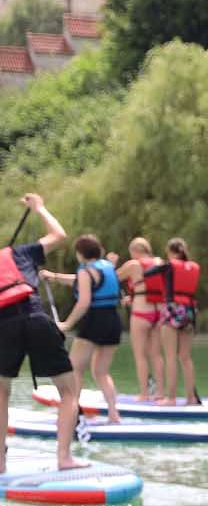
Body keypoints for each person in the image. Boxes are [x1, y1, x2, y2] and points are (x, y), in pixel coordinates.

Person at [0, 193, 83, 472]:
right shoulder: (18, 253)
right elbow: (59, 235)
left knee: (1, 394)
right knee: (69, 391)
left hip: (4, 326)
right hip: (35, 318)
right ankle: (64, 458)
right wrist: (39, 208)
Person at [44, 233, 124, 424]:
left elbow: (84, 302)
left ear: (80, 253)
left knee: (73, 369)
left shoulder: (85, 271)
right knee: (101, 372)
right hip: (113, 320)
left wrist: (66, 324)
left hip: (94, 321)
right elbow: (81, 281)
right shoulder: (107, 267)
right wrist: (53, 277)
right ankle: (114, 414)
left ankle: (71, 414)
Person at [122, 236, 169, 399]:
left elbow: (109, 279)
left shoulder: (133, 265)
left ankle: (144, 394)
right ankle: (160, 393)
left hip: (141, 313)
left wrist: (111, 263)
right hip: (159, 313)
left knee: (140, 354)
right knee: (156, 354)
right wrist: (133, 296)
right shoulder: (160, 262)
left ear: (134, 251)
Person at [157, 237, 201, 405]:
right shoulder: (192, 266)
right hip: (189, 311)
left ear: (170, 252)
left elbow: (147, 274)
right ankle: (191, 398)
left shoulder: (168, 266)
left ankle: (171, 398)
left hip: (172, 309)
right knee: (185, 357)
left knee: (170, 356)